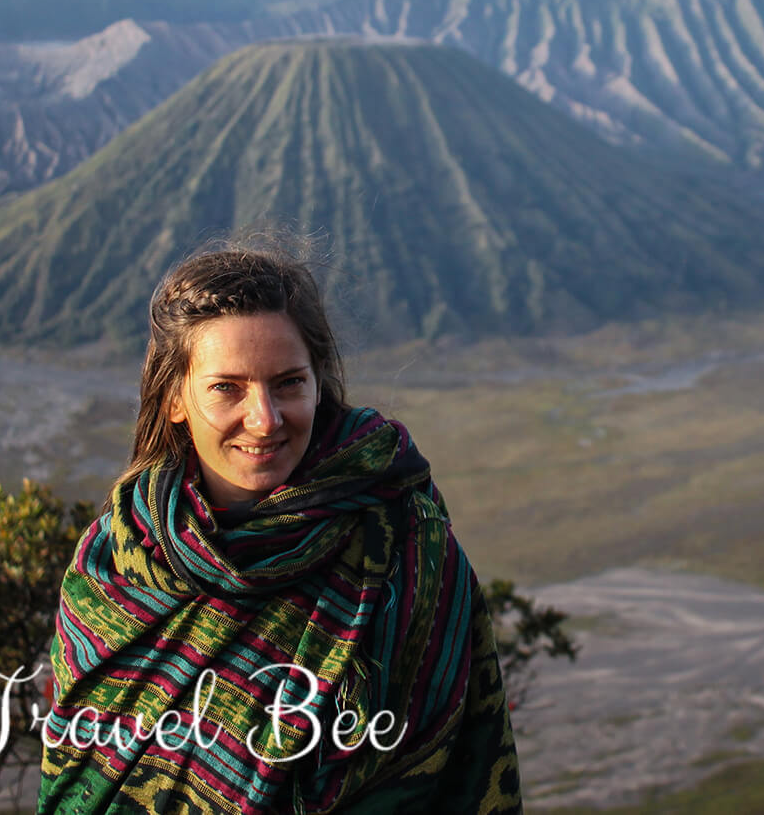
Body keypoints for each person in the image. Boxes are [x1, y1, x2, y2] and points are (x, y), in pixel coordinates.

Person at [38, 244, 520, 814]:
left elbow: (456, 770)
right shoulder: (115, 565)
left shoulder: (405, 548)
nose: (264, 418)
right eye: (226, 388)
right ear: (174, 398)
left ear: (320, 382)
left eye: (289, 383)